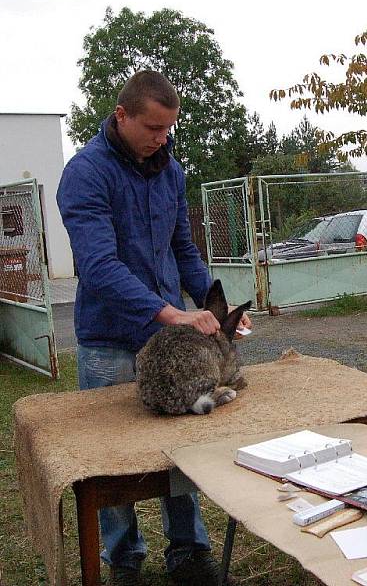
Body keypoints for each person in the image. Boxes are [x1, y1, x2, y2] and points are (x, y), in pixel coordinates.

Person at [57, 70, 250, 586]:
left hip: (170, 337)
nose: (161, 139)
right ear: (121, 116)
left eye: (168, 130)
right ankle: (125, 560)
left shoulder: (172, 171)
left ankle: (188, 551)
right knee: (110, 459)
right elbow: (98, 265)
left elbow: (181, 249)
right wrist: (170, 313)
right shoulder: (85, 173)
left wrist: (217, 310)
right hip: (109, 341)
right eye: (153, 127)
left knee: (182, 447)